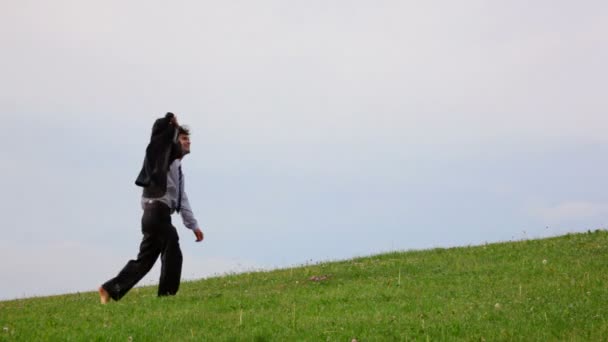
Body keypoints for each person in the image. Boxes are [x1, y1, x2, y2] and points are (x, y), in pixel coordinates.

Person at [99, 112, 204, 304]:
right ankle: (166, 297)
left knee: (145, 261)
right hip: (157, 211)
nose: (188, 142)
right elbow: (159, 135)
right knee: (172, 246)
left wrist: (194, 226)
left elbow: (183, 199)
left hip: (152, 214)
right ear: (174, 140)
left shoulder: (176, 168)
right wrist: (171, 123)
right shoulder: (165, 155)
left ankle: (109, 289)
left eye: (189, 138)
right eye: (183, 138)